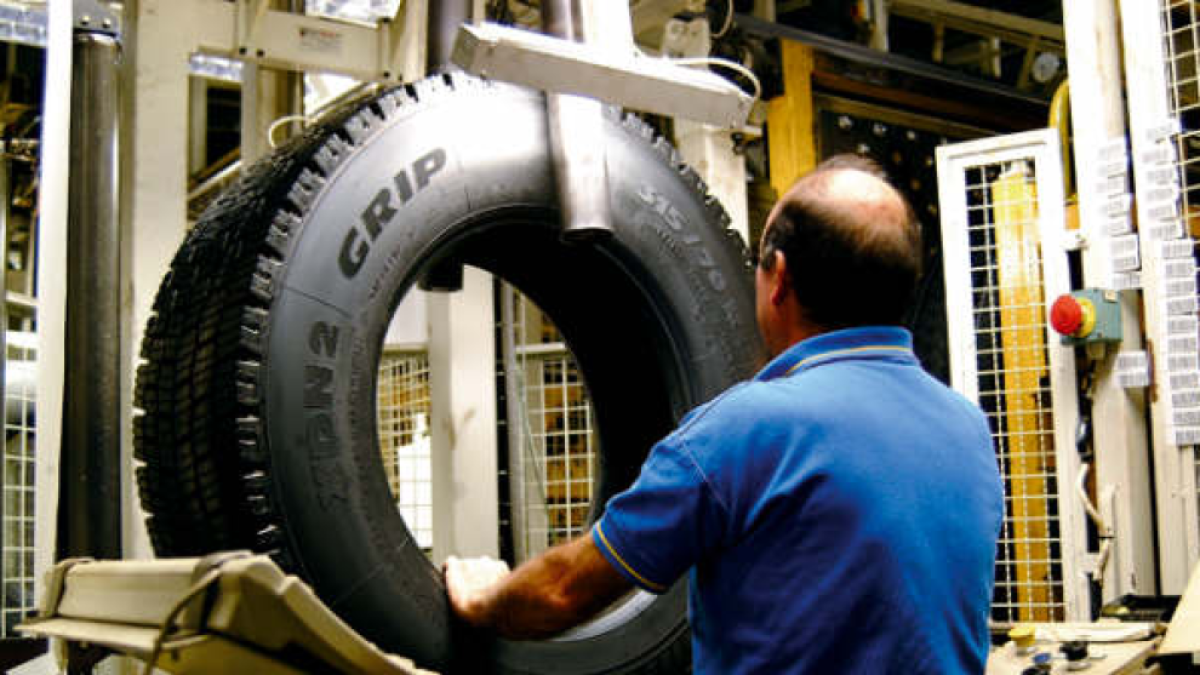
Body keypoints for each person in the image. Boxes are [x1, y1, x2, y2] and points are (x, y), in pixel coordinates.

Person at [445, 154, 1005, 674]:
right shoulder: (969, 428)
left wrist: (486, 597)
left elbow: (563, 593)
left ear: (778, 275)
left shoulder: (746, 430)